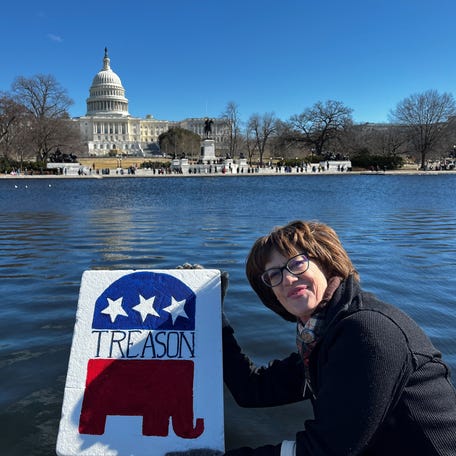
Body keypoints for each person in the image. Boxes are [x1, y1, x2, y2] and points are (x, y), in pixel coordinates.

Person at [222, 220, 456, 456]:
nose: (288, 279)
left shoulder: (366, 332)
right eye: (274, 274)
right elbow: (252, 390)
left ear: (325, 263)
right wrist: (213, 319)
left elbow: (326, 450)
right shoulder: (323, 339)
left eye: (297, 264)